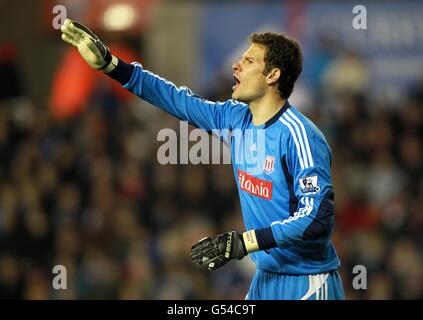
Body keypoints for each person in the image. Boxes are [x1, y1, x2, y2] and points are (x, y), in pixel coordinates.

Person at [60, 18, 345, 300]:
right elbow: (176, 99)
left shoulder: (300, 136)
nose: (236, 65)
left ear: (272, 75)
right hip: (266, 280)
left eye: (248, 61)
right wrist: (113, 66)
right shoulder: (234, 119)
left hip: (307, 281)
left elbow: (316, 219)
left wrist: (244, 243)